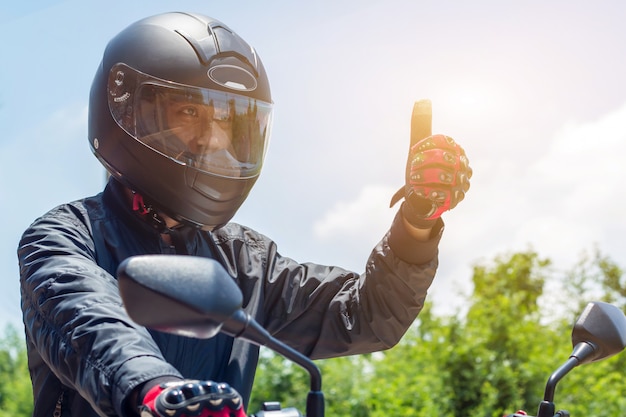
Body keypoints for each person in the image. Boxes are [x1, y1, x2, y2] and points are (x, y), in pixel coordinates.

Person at [18, 11, 472, 417]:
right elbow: (88, 318)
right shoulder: (64, 237)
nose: (212, 140)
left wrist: (418, 220)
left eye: (228, 122)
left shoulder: (243, 259)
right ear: (125, 108)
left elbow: (366, 316)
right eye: (189, 111)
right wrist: (156, 391)